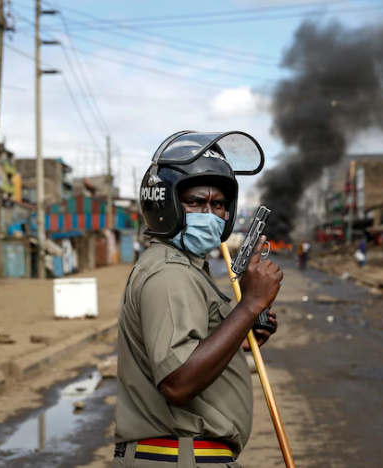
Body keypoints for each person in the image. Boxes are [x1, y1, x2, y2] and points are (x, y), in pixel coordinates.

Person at [112, 131, 283, 468]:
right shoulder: (169, 273)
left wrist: (238, 337)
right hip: (179, 457)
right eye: (196, 202)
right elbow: (178, 383)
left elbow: (189, 348)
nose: (210, 213)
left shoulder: (187, 269)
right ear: (166, 205)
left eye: (218, 204)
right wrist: (249, 305)